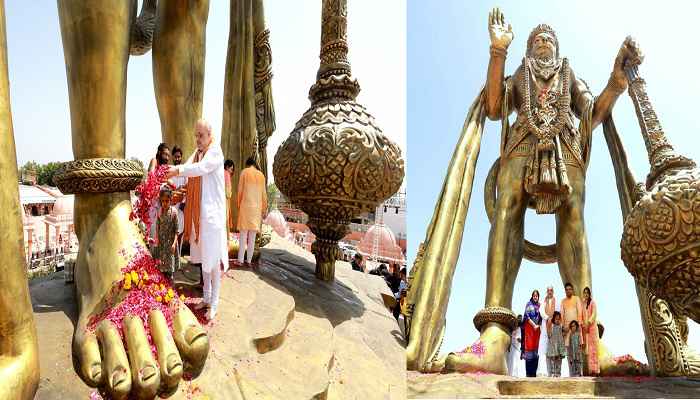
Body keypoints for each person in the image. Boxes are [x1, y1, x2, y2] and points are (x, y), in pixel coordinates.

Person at [166, 119, 228, 320]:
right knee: (204, 260)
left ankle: (215, 303)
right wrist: (169, 175)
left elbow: (200, 169)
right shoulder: (198, 153)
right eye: (196, 135)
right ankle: (207, 298)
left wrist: (179, 170)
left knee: (213, 262)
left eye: (201, 135)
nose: (198, 139)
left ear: (210, 136)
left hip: (212, 217)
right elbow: (186, 167)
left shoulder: (215, 152)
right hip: (199, 217)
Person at [236, 157, 268, 267]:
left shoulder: (244, 172)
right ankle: (248, 261)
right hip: (256, 210)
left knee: (243, 236)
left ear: (247, 164)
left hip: (245, 207)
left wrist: (238, 204)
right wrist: (264, 209)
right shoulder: (261, 176)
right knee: (252, 238)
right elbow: (264, 195)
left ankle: (240, 260)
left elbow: (240, 190)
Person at [151, 186, 180, 280]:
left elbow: (177, 230)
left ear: (170, 200)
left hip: (170, 243)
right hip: (162, 243)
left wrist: (174, 243)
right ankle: (163, 285)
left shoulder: (174, 212)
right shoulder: (159, 212)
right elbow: (157, 227)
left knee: (170, 269)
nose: (164, 203)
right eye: (162, 201)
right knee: (162, 267)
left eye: (167, 201)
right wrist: (157, 239)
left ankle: (170, 286)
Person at [170, 146, 187, 254]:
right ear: (172, 157)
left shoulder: (184, 171)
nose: (177, 159)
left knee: (180, 231)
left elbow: (187, 187)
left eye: (179, 157)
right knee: (171, 232)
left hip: (180, 206)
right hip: (171, 206)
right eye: (175, 157)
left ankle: (178, 255)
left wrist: (184, 203)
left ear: (181, 157)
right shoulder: (170, 170)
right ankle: (171, 256)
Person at [522, 289, 542, 377]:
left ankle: (534, 373)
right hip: (529, 330)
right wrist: (534, 325)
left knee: (536, 351)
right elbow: (526, 316)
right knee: (529, 350)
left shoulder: (540, 305)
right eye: (534, 296)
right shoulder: (528, 304)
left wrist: (538, 326)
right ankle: (528, 373)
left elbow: (542, 317)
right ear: (532, 296)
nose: (535, 297)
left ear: (538, 297)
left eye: (537, 296)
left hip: (537, 331)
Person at [582, 287, 599, 375]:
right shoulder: (583, 304)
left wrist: (588, 323)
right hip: (586, 329)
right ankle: (591, 370)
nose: (586, 294)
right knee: (589, 350)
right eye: (584, 293)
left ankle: (595, 370)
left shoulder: (593, 303)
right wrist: (583, 325)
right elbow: (582, 315)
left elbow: (594, 314)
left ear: (589, 294)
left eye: (587, 293)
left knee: (594, 349)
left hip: (592, 328)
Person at [541, 285, 556, 376]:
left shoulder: (556, 301)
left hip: (554, 327)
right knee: (546, 350)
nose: (550, 292)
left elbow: (558, 312)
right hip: (545, 326)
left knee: (554, 350)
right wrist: (548, 318)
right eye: (548, 290)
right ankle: (547, 371)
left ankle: (555, 371)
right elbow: (541, 311)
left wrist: (552, 319)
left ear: (553, 291)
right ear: (547, 292)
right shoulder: (544, 301)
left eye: (551, 290)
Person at [546, 311, 566, 377]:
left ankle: (558, 373)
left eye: (559, 319)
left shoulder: (561, 326)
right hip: (553, 347)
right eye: (556, 319)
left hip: (559, 347)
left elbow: (563, 335)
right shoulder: (551, 326)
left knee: (559, 361)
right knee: (552, 361)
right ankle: (552, 373)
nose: (558, 320)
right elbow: (549, 336)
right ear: (553, 319)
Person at [224, 159, 235, 236]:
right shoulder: (226, 174)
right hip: (225, 200)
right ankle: (226, 239)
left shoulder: (220, 173)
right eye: (231, 169)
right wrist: (230, 193)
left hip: (218, 200)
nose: (231, 171)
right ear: (227, 167)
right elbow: (228, 193)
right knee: (225, 220)